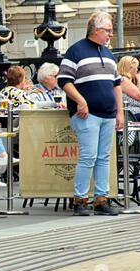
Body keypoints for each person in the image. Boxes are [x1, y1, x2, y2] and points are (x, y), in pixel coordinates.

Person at [57, 11, 123, 216]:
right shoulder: (76, 51)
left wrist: (119, 112)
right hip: (87, 114)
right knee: (89, 156)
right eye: (108, 31)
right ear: (96, 30)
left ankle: (101, 199)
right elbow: (64, 80)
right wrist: (80, 101)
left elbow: (117, 85)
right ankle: (80, 199)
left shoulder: (109, 54)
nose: (111, 35)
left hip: (108, 114)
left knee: (103, 157)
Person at [117, 56, 140, 121]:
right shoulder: (123, 80)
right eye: (136, 68)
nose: (137, 70)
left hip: (136, 112)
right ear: (130, 68)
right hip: (132, 114)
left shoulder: (127, 80)